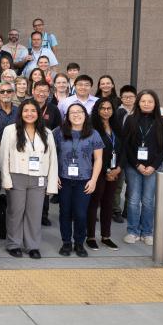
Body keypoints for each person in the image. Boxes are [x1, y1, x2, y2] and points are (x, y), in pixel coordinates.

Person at [0, 100, 58, 259]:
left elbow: (53, 160)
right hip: (16, 177)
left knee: (35, 213)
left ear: (38, 114)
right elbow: (4, 157)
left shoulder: (47, 133)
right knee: (15, 212)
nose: (29, 114)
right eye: (26, 110)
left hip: (39, 178)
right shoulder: (10, 130)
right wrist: (6, 180)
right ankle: (14, 244)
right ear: (21, 113)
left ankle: (32, 245)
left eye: (33, 110)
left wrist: (51, 185)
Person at [53, 103, 103, 257]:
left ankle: (80, 243)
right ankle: (66, 243)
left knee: (81, 213)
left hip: (84, 180)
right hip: (64, 179)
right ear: (67, 116)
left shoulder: (93, 134)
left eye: (79, 112)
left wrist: (94, 180)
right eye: (72, 112)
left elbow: (99, 159)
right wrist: (53, 176)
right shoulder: (58, 132)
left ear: (85, 114)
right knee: (65, 212)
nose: (76, 115)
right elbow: (51, 156)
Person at [120, 90, 163, 246]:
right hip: (134, 166)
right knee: (133, 200)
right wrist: (137, 164)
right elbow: (126, 145)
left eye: (150, 101)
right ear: (138, 103)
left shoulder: (161, 121)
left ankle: (147, 232)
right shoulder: (130, 120)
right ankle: (133, 231)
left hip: (153, 167)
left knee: (148, 201)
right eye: (143, 101)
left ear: (155, 104)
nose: (146, 104)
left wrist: (153, 166)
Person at [86, 98, 122, 251]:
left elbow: (124, 148)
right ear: (97, 109)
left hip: (114, 171)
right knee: (94, 203)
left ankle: (106, 236)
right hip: (97, 171)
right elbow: (90, 152)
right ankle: (91, 236)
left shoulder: (116, 126)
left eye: (109, 108)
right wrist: (105, 170)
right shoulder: (91, 127)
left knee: (108, 203)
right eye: (103, 108)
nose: (106, 111)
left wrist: (118, 168)